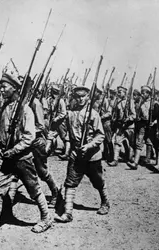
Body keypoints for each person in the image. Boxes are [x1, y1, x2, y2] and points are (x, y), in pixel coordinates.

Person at [0, 73, 53, 244]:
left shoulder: (26, 109)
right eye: (1, 86)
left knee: (33, 189)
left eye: (5, 87)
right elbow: (1, 131)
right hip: (5, 158)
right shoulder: (5, 108)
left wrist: (14, 150)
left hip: (22, 158)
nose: (2, 90)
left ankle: (46, 217)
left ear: (14, 88)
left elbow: (29, 137)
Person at [54, 86, 109, 223]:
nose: (80, 99)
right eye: (77, 96)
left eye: (83, 96)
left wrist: (89, 145)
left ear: (88, 97)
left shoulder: (93, 114)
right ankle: (68, 213)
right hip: (76, 153)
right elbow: (64, 130)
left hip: (92, 155)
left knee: (97, 181)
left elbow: (100, 135)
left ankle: (105, 202)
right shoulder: (70, 114)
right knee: (70, 182)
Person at [108, 85, 136, 166]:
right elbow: (116, 115)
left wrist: (128, 119)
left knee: (131, 144)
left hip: (129, 126)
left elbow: (134, 115)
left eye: (120, 92)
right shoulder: (118, 103)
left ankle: (130, 158)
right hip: (121, 126)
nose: (118, 94)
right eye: (118, 92)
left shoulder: (130, 102)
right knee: (117, 142)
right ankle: (115, 160)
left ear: (125, 93)